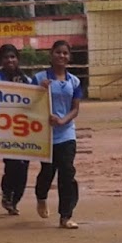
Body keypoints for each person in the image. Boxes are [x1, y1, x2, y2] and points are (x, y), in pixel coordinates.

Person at [33, 39, 81, 229]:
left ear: (69, 57)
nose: (61, 56)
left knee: (67, 173)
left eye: (65, 53)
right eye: (58, 52)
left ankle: (66, 216)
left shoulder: (74, 81)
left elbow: (75, 109)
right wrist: (39, 91)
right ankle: (41, 196)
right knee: (47, 172)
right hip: (45, 135)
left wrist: (63, 120)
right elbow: (28, 104)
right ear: (51, 54)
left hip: (67, 133)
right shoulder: (39, 78)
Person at [0, 43, 32, 215]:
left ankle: (15, 200)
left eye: (13, 57)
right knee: (12, 164)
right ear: (1, 60)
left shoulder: (27, 80)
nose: (10, 60)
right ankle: (7, 194)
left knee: (24, 167)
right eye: (6, 57)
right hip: (5, 130)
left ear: (17, 59)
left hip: (24, 130)